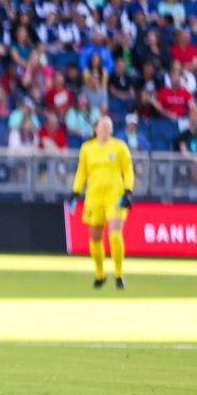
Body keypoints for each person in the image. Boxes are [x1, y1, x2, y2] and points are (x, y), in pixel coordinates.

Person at [69, 116, 135, 289]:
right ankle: (100, 274)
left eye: (110, 126)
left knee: (114, 234)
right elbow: (81, 171)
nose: (107, 129)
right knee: (95, 237)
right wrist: (75, 191)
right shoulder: (87, 148)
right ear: (96, 128)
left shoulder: (119, 147)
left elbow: (128, 170)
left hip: (115, 196)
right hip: (94, 197)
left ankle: (119, 274)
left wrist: (128, 190)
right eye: (104, 126)